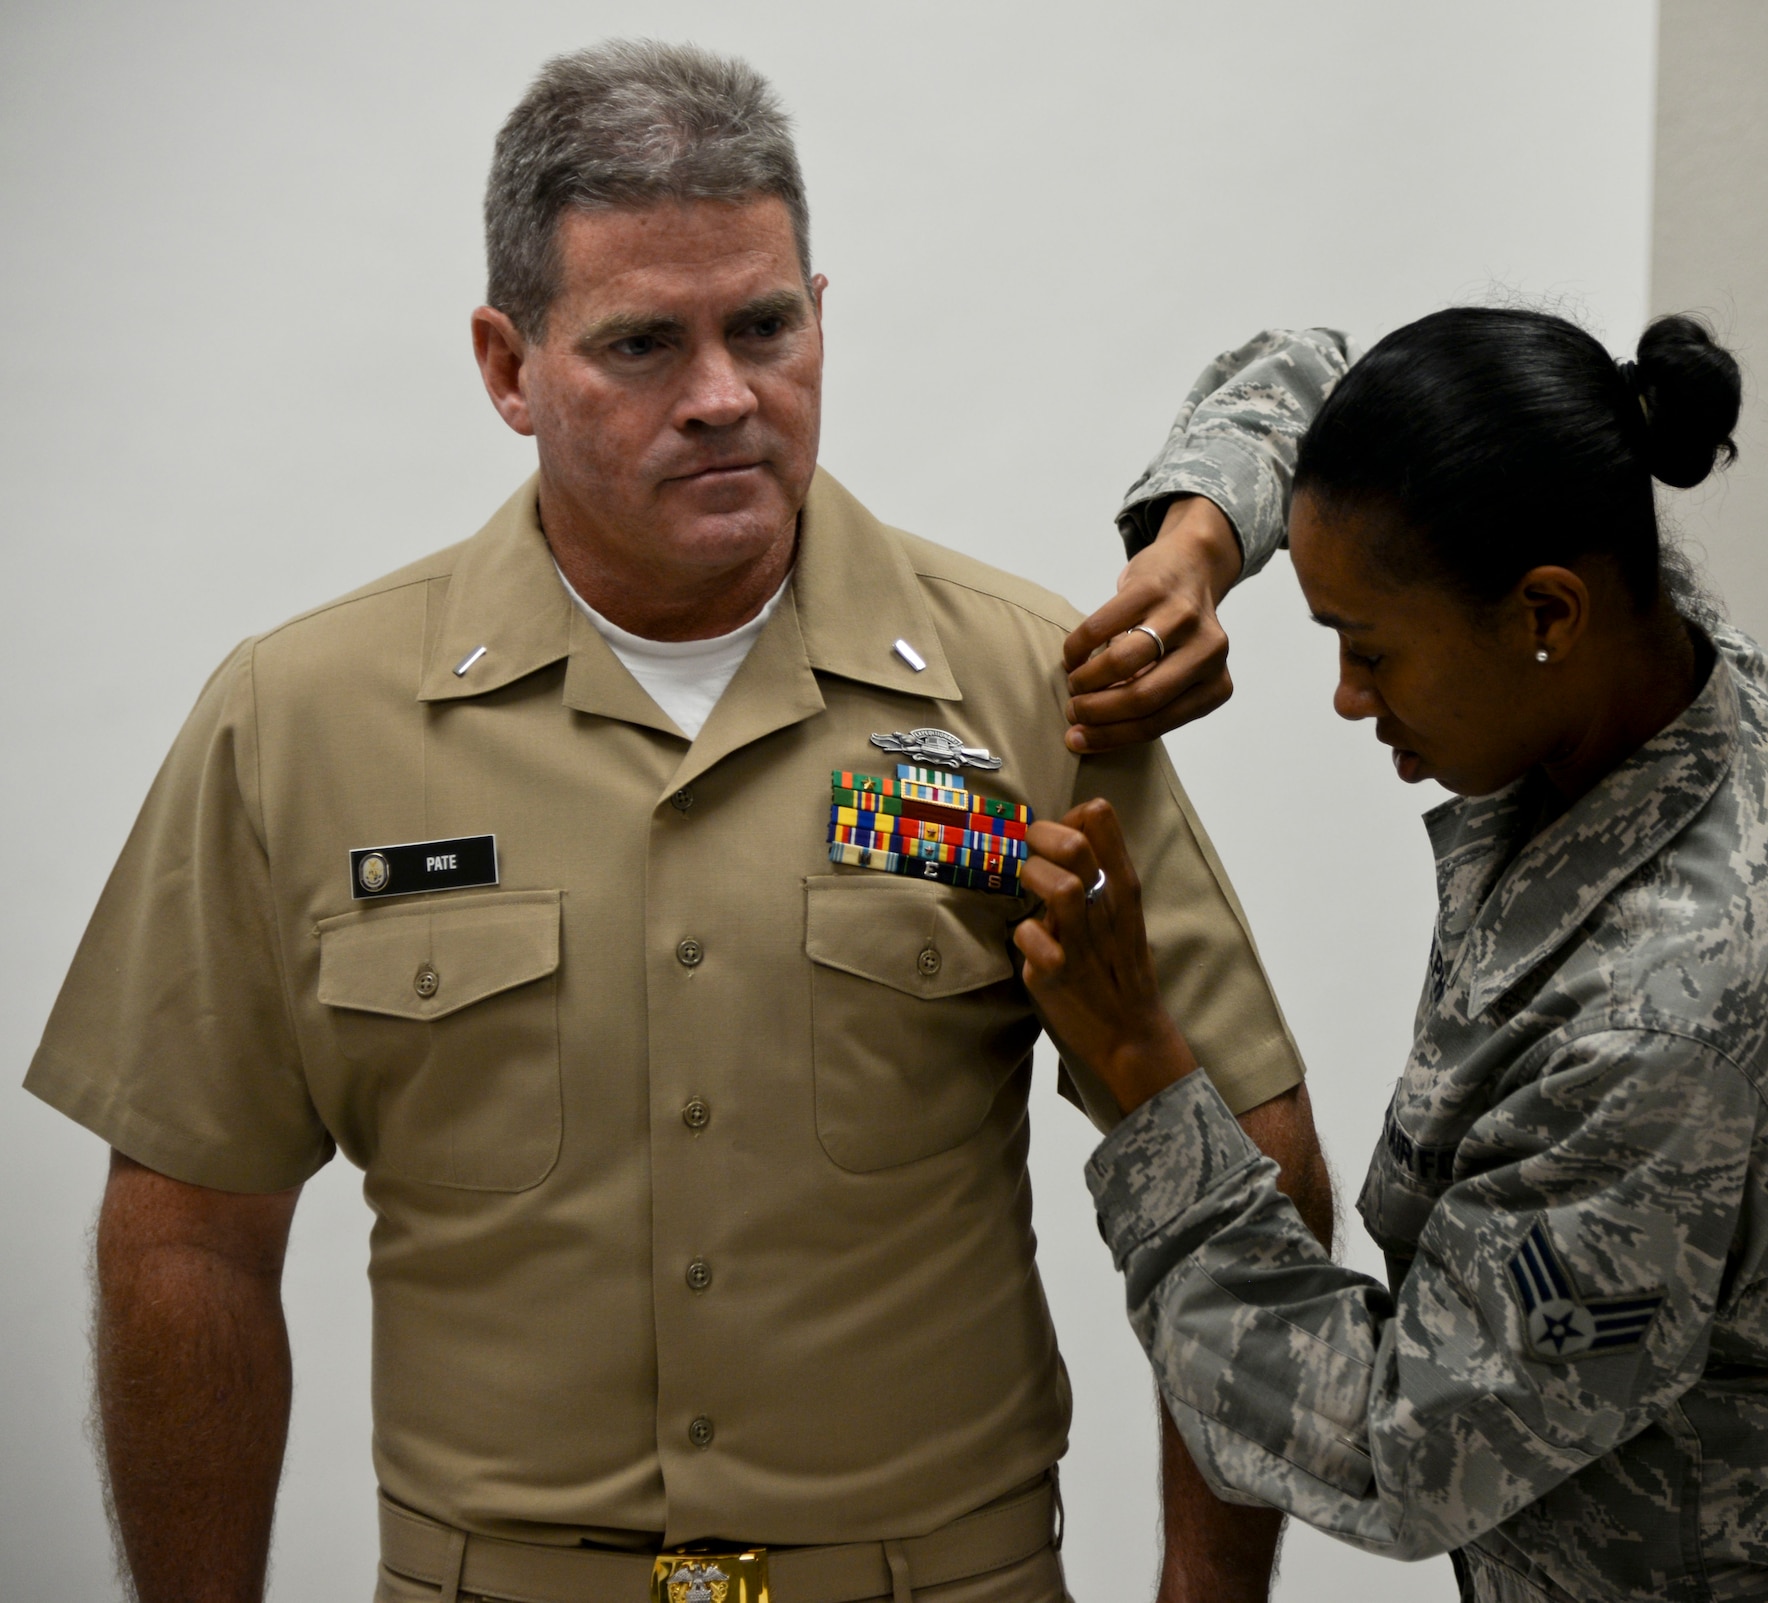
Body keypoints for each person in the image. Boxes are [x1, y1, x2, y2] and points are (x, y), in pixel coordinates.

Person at [24, 41, 1336, 1603]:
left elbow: (1247, 1152)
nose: (724, 397)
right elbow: (188, 1238)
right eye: (642, 344)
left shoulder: (1023, 691)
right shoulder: (298, 724)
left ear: (822, 315)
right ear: (507, 366)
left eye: (765, 327)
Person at [1015, 309, 1768, 1600]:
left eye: (1369, 648)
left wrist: (1145, 1081)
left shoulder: (1663, 1026)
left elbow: (1405, 1440)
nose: (1350, 698)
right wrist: (1196, 545)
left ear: (1543, 613)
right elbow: (1311, 374)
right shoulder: (1664, 662)